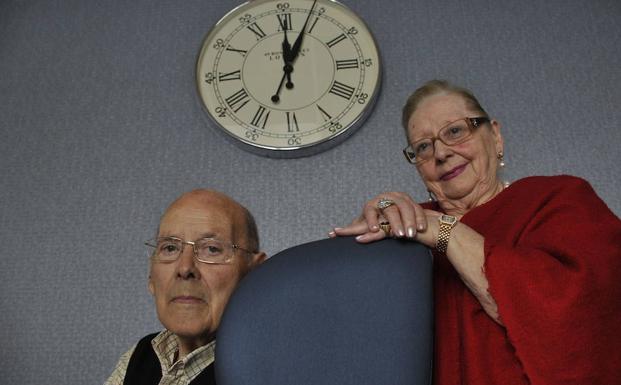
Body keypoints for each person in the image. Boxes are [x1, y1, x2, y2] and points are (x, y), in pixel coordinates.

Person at [330, 79, 621, 384]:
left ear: (495, 136)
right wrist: (369, 239)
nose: (441, 153)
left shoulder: (559, 198)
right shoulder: (409, 229)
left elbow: (581, 317)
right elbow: (351, 335)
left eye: (455, 131)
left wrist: (445, 231)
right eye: (423, 148)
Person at [105, 190, 266, 385]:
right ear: (151, 277)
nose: (185, 268)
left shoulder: (276, 369)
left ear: (255, 274)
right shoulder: (138, 356)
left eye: (212, 249)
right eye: (170, 248)